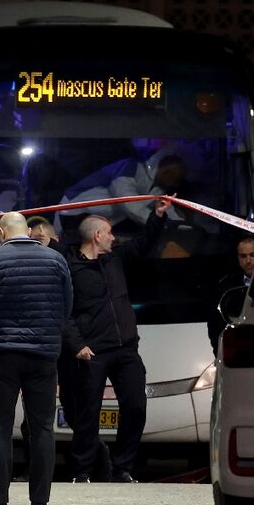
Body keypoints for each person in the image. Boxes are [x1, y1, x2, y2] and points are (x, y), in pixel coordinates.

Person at [55, 197, 172, 484]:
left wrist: (157, 216)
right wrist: (77, 344)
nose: (113, 237)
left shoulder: (115, 258)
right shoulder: (69, 268)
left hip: (126, 349)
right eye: (109, 232)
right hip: (92, 352)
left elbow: (144, 243)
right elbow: (62, 312)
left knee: (135, 406)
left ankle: (122, 467)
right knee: (87, 414)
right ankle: (81, 470)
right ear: (97, 235)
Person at [0, 212, 72, 505]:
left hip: (2, 355)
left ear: (2, 232)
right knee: (42, 428)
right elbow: (66, 306)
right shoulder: (56, 260)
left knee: (0, 428)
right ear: (28, 231)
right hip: (43, 354)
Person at [28, 214, 113, 483]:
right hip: (42, 349)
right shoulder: (28, 262)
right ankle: (39, 470)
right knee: (45, 414)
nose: (34, 243)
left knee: (75, 409)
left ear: (52, 238)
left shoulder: (61, 261)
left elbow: (64, 308)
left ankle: (91, 461)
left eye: (39, 237)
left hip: (61, 349)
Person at [56, 150, 185, 231]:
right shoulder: (130, 167)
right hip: (71, 212)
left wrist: (184, 227)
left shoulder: (157, 190)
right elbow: (129, 204)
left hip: (96, 224)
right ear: (165, 170)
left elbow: (168, 210)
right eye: (176, 176)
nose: (177, 183)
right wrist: (160, 223)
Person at [207, 235, 254, 355]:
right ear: (238, 258)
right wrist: (221, 354)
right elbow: (215, 326)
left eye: (253, 255)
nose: (248, 261)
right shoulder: (226, 287)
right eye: (243, 256)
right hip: (239, 355)